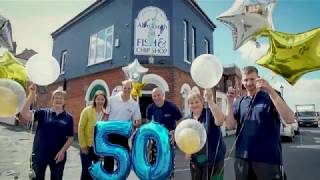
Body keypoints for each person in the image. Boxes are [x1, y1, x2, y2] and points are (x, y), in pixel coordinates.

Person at [225, 66, 295, 180]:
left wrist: (270, 90)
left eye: (252, 79)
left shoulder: (270, 96)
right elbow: (229, 125)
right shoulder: (239, 102)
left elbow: (290, 118)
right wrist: (229, 103)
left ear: (258, 78)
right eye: (246, 80)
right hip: (242, 159)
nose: (249, 83)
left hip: (268, 159)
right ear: (242, 82)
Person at [20, 84, 74, 180]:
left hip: (58, 157)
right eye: (56, 97)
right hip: (39, 155)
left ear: (64, 101)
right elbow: (24, 113)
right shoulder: (43, 113)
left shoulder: (68, 118)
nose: (58, 100)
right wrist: (31, 94)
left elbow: (70, 138)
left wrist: (62, 152)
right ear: (52, 100)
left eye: (61, 98)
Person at [185, 89, 226, 180]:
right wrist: (187, 150)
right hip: (196, 161)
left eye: (197, 102)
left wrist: (210, 101)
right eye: (191, 103)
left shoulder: (210, 113)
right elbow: (186, 138)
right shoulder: (187, 120)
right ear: (188, 105)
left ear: (202, 102)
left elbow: (220, 121)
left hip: (214, 159)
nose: (194, 104)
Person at [104, 79, 141, 172]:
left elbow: (138, 120)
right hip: (110, 134)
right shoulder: (111, 100)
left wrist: (135, 124)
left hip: (123, 135)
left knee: (123, 161)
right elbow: (105, 116)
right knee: (109, 161)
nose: (127, 90)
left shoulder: (134, 104)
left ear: (132, 89)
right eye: (125, 88)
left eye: (129, 88)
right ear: (122, 88)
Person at [145, 87, 183, 178]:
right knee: (153, 164)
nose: (157, 97)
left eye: (158, 95)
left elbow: (180, 121)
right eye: (154, 96)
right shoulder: (150, 108)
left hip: (168, 140)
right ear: (152, 97)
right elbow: (148, 123)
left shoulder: (171, 107)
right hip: (153, 141)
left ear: (163, 95)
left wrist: (175, 132)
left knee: (168, 165)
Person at [78, 90, 108, 180]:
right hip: (87, 145)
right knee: (86, 170)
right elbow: (80, 128)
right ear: (95, 100)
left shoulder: (106, 114)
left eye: (102, 99)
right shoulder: (87, 110)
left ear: (105, 101)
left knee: (95, 170)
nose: (100, 101)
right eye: (98, 99)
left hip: (98, 148)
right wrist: (83, 146)